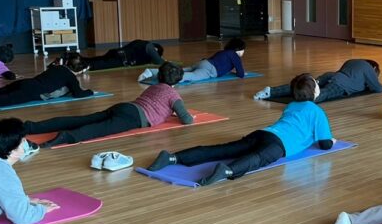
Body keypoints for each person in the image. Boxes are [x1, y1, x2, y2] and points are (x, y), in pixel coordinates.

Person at [148, 73, 333, 185]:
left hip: (264, 133)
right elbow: (325, 144)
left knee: (224, 149)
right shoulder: (317, 111)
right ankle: (228, 170)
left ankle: (173, 157)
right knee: (258, 159)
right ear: (314, 91)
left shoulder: (291, 105)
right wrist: (330, 140)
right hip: (279, 144)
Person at [24, 62, 192, 148]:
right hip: (135, 118)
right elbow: (186, 119)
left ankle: (31, 127)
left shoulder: (154, 86)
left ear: (160, 76)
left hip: (125, 107)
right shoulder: (173, 95)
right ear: (178, 81)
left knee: (82, 119)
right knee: (99, 129)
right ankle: (65, 137)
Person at [255, 59, 382, 103]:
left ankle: (271, 91)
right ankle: (310, 98)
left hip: (331, 75)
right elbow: (377, 88)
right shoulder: (368, 68)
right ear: (374, 68)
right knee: (323, 94)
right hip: (340, 85)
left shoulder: (353, 61)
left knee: (305, 85)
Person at [140, 38, 246, 83]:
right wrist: (239, 72)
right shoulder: (235, 55)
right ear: (239, 49)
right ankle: (169, 80)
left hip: (203, 63)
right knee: (191, 76)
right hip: (209, 70)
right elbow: (240, 73)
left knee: (181, 69)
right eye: (243, 50)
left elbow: (214, 59)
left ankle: (151, 72)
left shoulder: (224, 52)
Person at [80, 40, 165, 71]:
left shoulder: (142, 43)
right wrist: (163, 60)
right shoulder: (149, 46)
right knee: (102, 64)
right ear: (156, 49)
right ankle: (82, 66)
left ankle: (80, 60)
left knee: (101, 59)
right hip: (121, 59)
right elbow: (159, 62)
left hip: (116, 52)